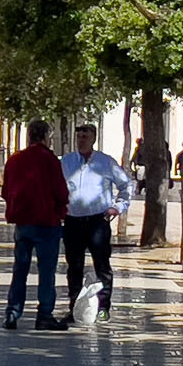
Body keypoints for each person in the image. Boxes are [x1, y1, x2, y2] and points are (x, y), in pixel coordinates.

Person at [0, 119, 70, 331]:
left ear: (29, 135)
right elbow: (61, 191)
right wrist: (61, 211)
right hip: (47, 222)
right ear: (46, 136)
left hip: (23, 222)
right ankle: (44, 315)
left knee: (20, 269)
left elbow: (5, 191)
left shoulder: (15, 160)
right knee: (46, 271)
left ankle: (12, 313)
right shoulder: (49, 160)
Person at [61, 123, 134, 322]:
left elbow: (126, 185)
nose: (82, 140)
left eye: (86, 136)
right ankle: (75, 307)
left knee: (101, 265)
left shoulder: (105, 163)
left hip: (97, 221)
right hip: (72, 221)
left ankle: (103, 307)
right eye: (79, 137)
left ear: (93, 139)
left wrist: (117, 207)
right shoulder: (66, 162)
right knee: (74, 266)